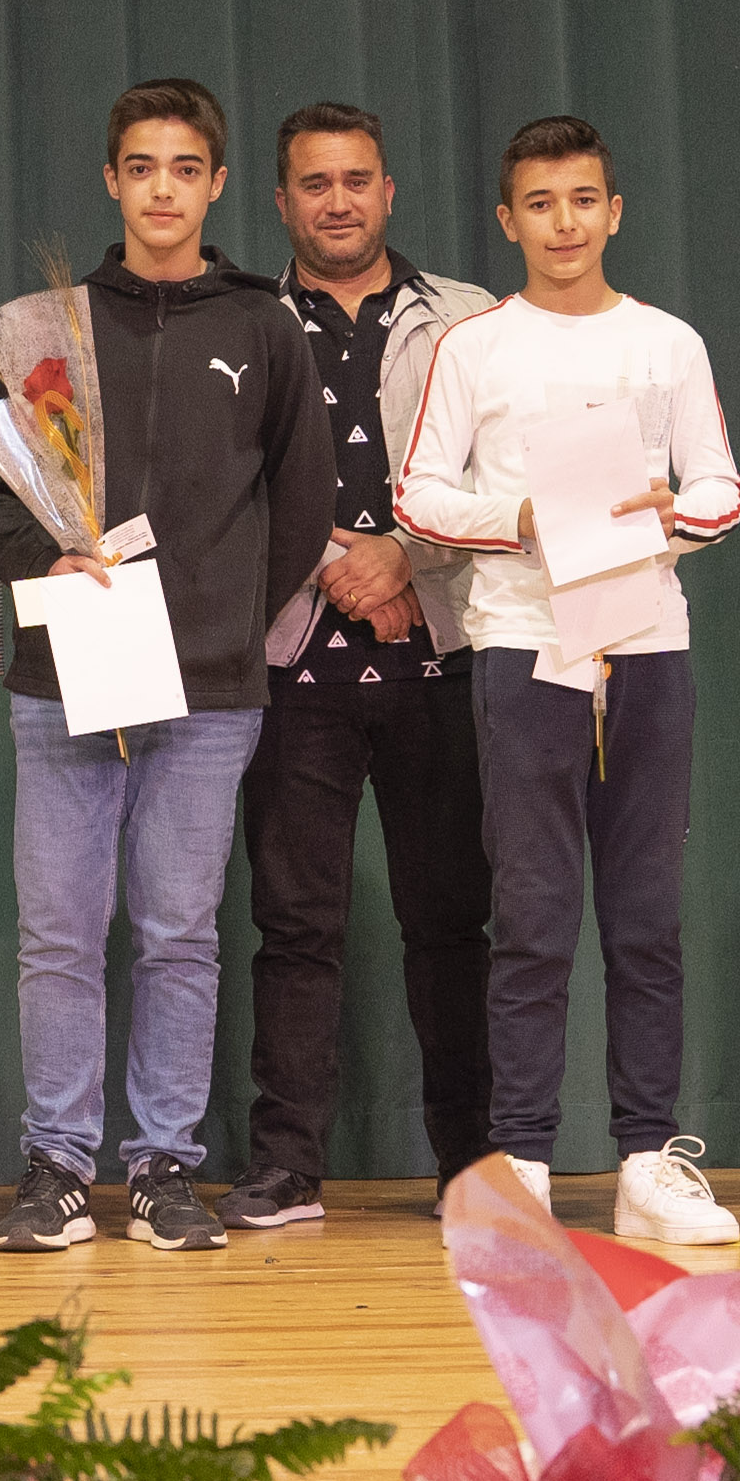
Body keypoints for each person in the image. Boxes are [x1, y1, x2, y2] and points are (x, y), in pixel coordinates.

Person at [0, 81, 334, 1255]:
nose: (160, 189)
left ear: (215, 185)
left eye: (183, 168)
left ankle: (164, 1163)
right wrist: (53, 564)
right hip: (65, 676)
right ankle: (57, 1167)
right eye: (139, 167)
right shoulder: (49, 329)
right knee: (61, 935)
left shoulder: (264, 326)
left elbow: (301, 501)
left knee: (178, 932)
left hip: (208, 688)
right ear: (111, 182)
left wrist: (225, 619)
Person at [392, 114, 740, 1248]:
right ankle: (525, 1163)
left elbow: (722, 487)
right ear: (508, 220)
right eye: (540, 204)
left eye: (583, 200)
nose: (564, 223)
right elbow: (418, 496)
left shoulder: (668, 343)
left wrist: (671, 513)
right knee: (533, 916)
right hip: (520, 648)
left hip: (645, 642)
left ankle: (648, 1158)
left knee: (645, 918)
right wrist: (524, 519)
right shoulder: (475, 348)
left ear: (615, 211)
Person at [227, 102, 496, 1229]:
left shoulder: (474, 320)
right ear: (280, 201)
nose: (336, 202)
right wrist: (332, 559)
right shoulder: (239, 323)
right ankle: (287, 1166)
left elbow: (507, 477)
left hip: (447, 661)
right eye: (314, 183)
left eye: (355, 181)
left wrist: (404, 556)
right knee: (294, 928)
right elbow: (214, 491)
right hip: (293, 669)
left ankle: (473, 1166)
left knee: (453, 923)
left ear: (388, 192)